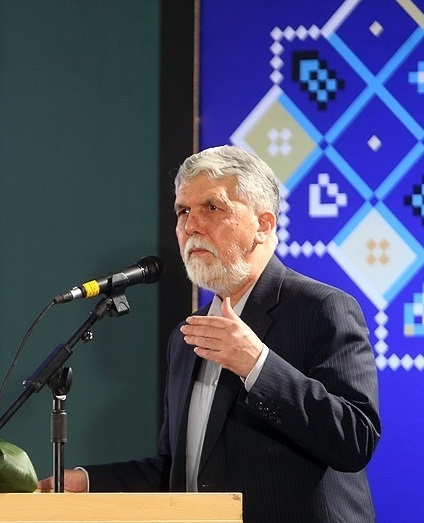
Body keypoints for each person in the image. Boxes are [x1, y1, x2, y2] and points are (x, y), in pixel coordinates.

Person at [38, 145, 381, 522]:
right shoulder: (187, 336)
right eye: (183, 211)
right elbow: (182, 472)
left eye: (212, 208)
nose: (191, 226)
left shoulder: (322, 308)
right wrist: (88, 482)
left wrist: (257, 365)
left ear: (263, 225)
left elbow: (356, 439)